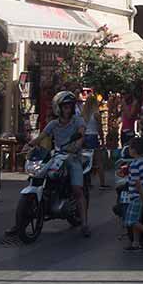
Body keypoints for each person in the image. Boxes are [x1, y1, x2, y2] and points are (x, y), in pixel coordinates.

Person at [30, 91, 90, 237]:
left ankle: (84, 223)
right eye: (65, 106)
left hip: (73, 157)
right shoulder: (53, 124)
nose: (67, 109)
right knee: (37, 176)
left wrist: (76, 144)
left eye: (69, 106)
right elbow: (42, 136)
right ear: (59, 108)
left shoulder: (78, 121)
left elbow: (81, 134)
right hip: (56, 156)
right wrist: (30, 144)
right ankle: (20, 221)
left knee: (77, 190)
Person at [82, 94, 108, 189]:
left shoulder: (83, 114)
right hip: (93, 137)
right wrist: (102, 140)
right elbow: (100, 129)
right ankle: (102, 183)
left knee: (87, 162)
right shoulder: (96, 114)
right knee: (99, 161)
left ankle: (87, 182)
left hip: (85, 137)